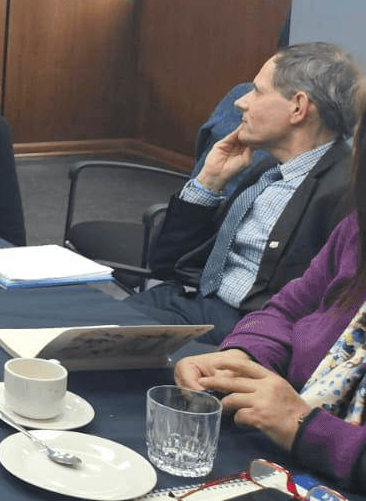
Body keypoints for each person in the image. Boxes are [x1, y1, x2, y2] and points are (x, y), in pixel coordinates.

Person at [175, 106, 366, 491]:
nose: (242, 103)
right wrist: (242, 357)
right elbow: (289, 308)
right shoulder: (356, 231)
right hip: (292, 458)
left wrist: (303, 426)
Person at [137, 43, 361, 341]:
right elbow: (166, 264)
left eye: (257, 91)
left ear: (298, 107)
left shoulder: (346, 193)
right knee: (82, 319)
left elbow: (325, 314)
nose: (240, 102)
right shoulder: (266, 169)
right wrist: (208, 183)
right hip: (189, 301)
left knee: (91, 341)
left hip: (244, 330)